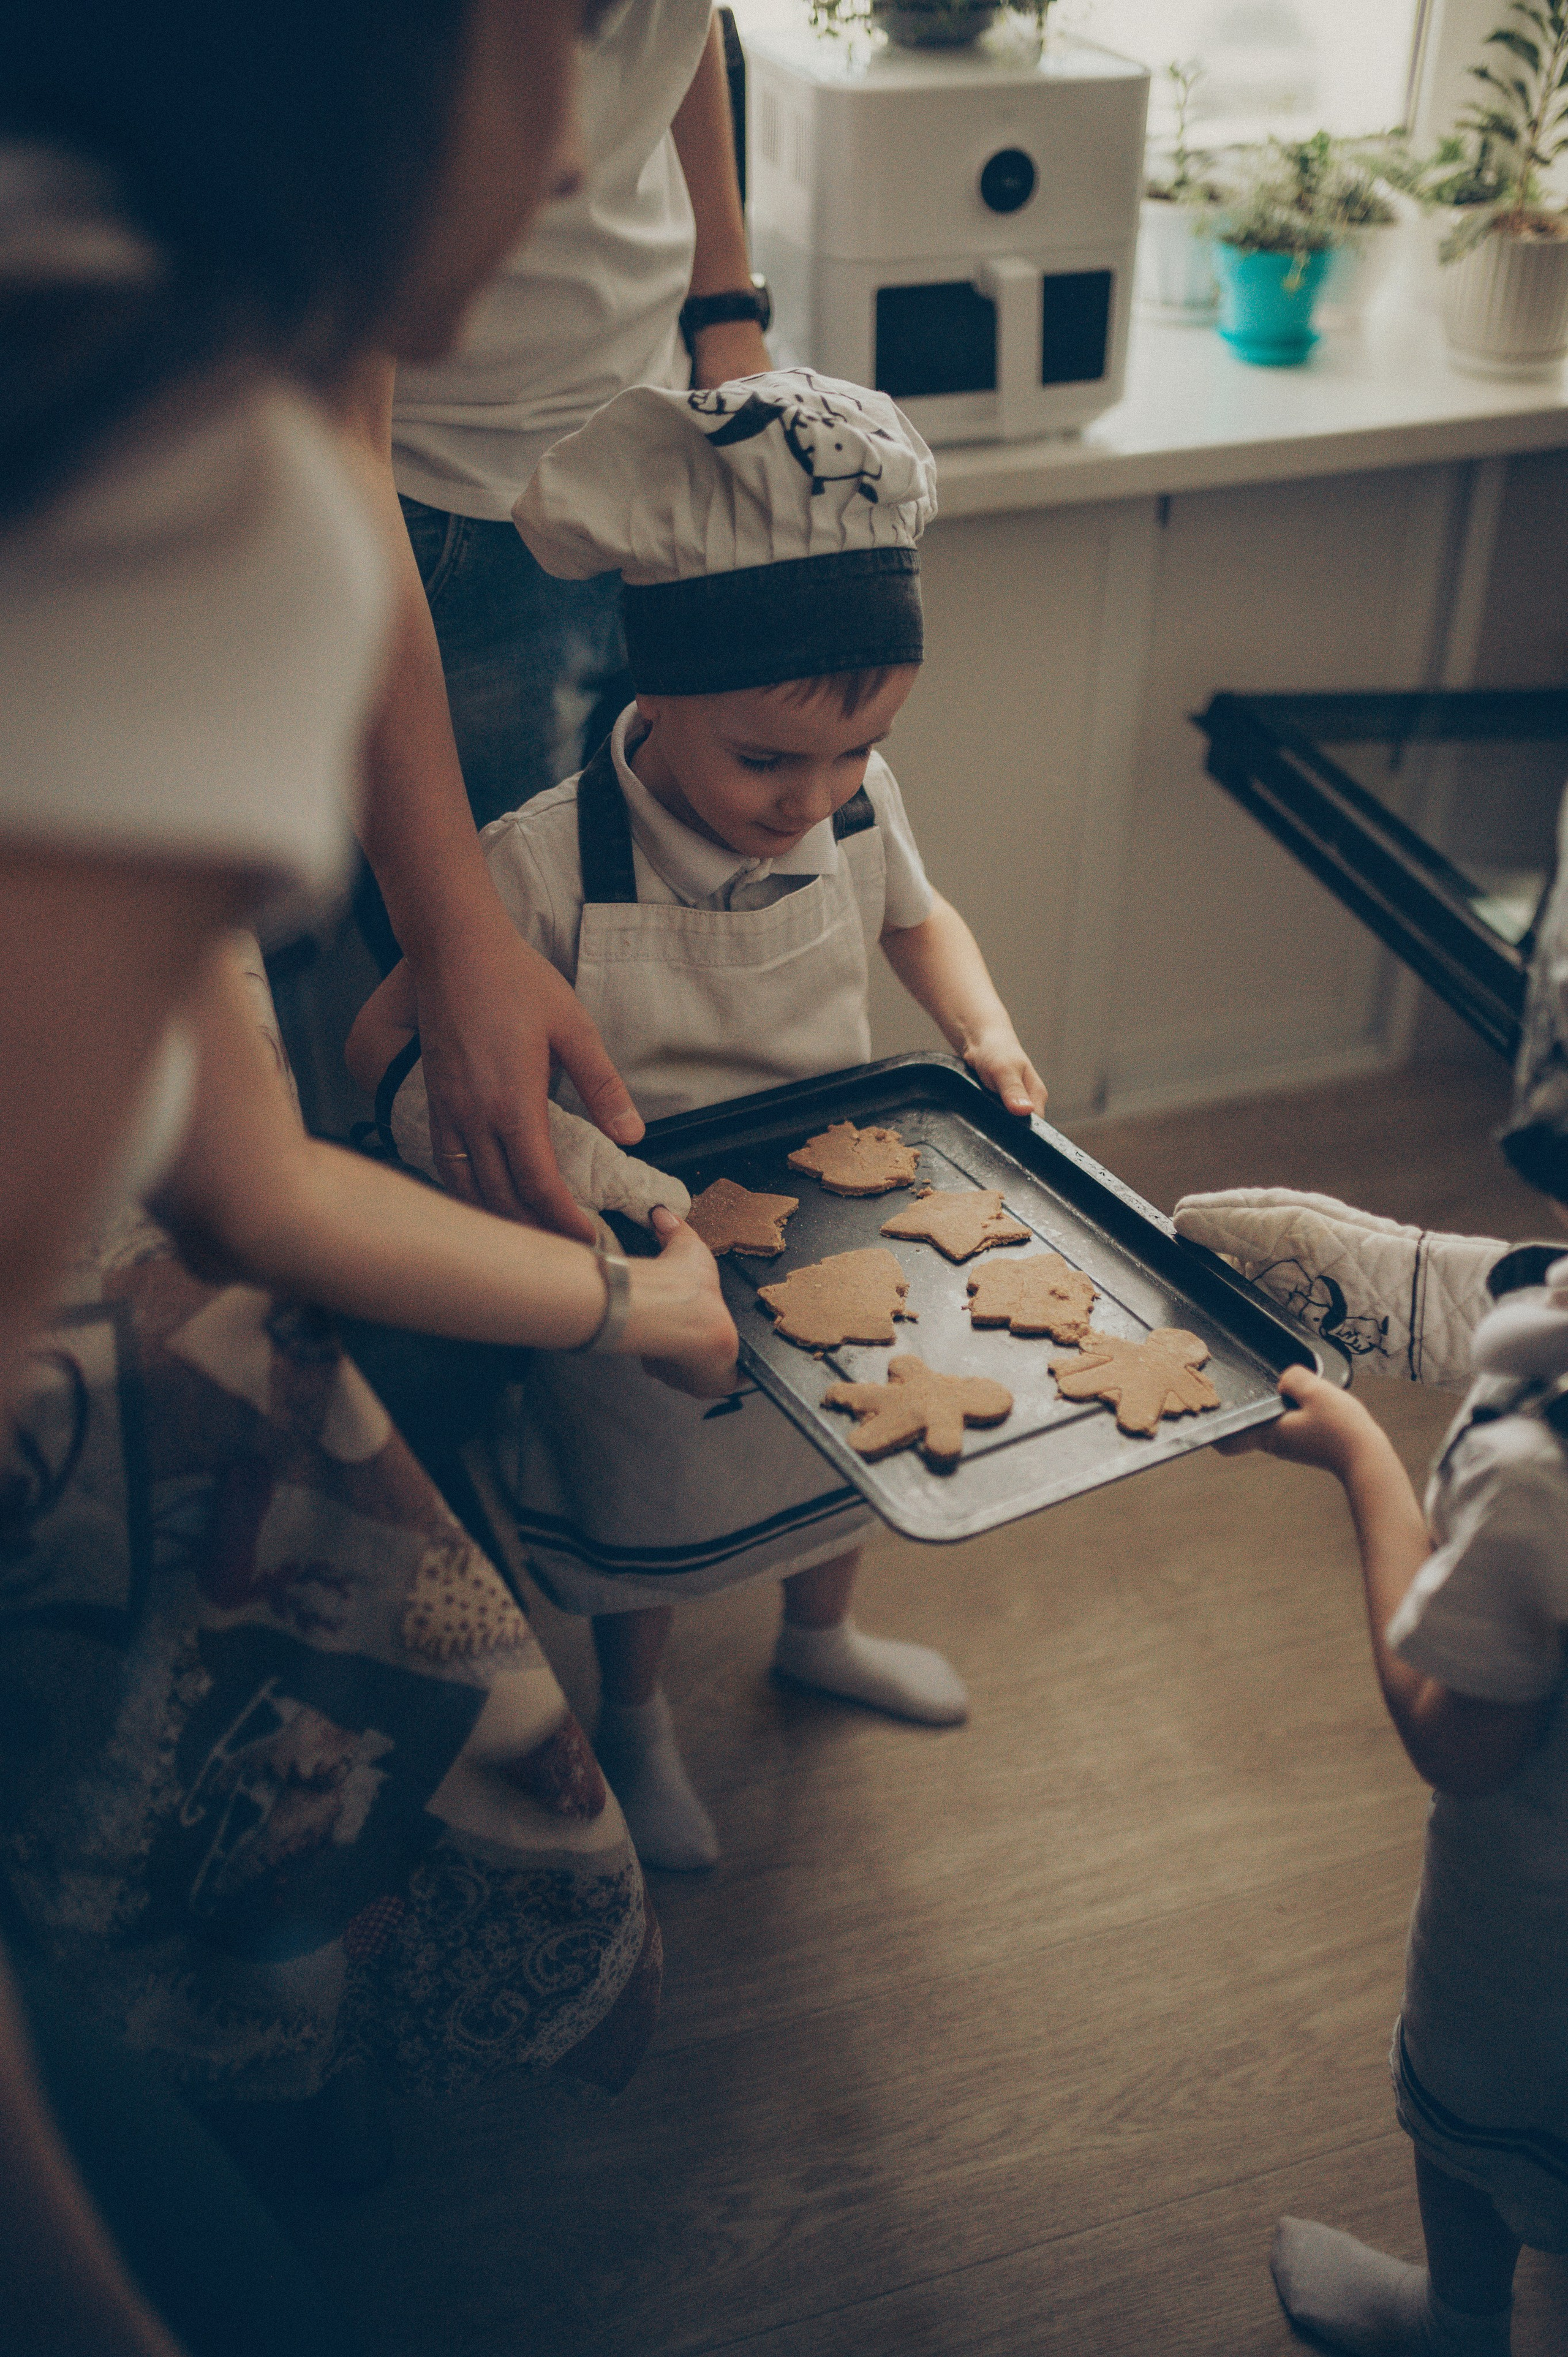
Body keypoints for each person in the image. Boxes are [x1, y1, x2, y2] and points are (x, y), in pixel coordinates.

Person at [0, 1, 736, 2348]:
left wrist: (457, 927)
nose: (587, 159)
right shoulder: (176, 505)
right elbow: (254, 1186)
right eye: (549, 39)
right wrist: (640, 1303)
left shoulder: (106, 311)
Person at [349, 367, 1049, 1870]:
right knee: (648, 1508)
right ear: (653, 691)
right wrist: (575, 1177)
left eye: (855, 750)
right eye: (767, 759)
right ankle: (639, 1721)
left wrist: (982, 1029)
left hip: (833, 1217)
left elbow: (918, 922)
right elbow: (384, 1046)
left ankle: (819, 1638)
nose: (812, 797)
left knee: (845, 1459)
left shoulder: (853, 802)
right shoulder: (539, 861)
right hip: (633, 1250)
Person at [1170, 807, 1568, 2357]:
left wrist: (1360, 1461)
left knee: (1471, 2117)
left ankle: (1459, 2324)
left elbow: (1451, 1734)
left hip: (1531, 1928)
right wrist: (1391, 1276)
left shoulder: (1537, 1467)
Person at [342, 0, 772, 1226]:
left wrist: (723, 304)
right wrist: (452, 941)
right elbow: (250, 1184)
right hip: (439, 501)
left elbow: (681, 33)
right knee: (491, 1040)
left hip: (652, 432)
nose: (577, 167)